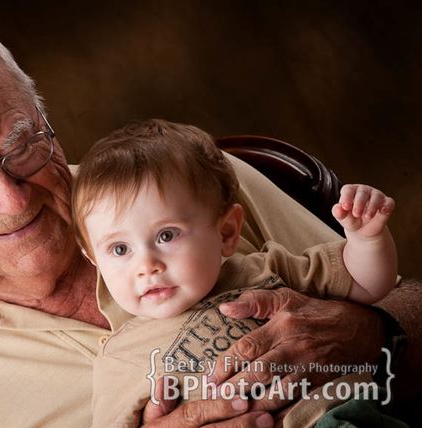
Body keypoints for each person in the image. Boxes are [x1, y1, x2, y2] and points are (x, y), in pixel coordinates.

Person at [0, 14, 418, 428]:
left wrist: (371, 333)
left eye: (21, 147)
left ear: (44, 117)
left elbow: (402, 299)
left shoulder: (193, 185)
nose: (13, 201)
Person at [71, 119, 397, 427]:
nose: (146, 266)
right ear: (94, 259)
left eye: (166, 236)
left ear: (226, 233)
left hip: (346, 415)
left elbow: (367, 285)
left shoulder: (261, 268)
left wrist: (366, 239)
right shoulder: (117, 361)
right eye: (119, 249)